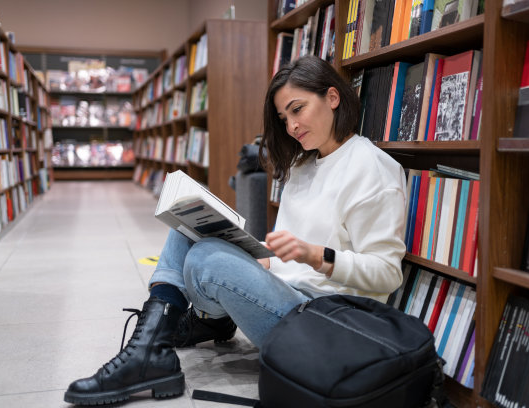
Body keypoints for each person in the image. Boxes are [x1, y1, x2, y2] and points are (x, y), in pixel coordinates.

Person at [64, 55, 407, 406]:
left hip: (323, 320)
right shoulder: (305, 163)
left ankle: (176, 337)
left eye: (297, 109)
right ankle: (152, 348)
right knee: (186, 225)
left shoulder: (373, 170)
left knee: (207, 260)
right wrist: (250, 249)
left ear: (332, 98)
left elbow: (387, 273)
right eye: (283, 117)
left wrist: (318, 256)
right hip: (285, 294)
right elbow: (284, 257)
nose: (291, 126)